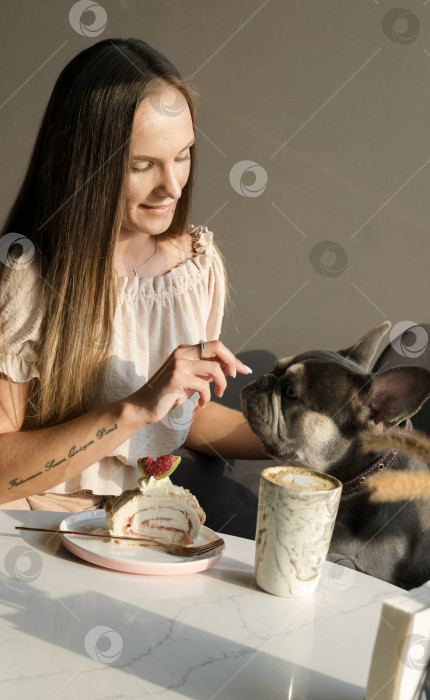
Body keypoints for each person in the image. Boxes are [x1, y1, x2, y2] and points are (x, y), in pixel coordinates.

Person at [0, 38, 268, 511]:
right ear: (85, 168)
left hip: (135, 526)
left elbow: (179, 416)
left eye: (183, 155)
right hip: (30, 527)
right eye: (142, 165)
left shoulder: (196, 267)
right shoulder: (29, 277)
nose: (172, 186)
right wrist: (134, 407)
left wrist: (308, 439)